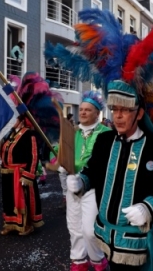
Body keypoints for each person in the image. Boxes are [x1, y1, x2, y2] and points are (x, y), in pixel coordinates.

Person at [67, 80, 153, 271]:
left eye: (125, 110)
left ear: (138, 113)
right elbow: (92, 172)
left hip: (135, 241)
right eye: (114, 109)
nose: (118, 116)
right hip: (104, 235)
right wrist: (81, 181)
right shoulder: (104, 141)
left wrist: (148, 208)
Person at [0, 71, 62, 236]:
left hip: (21, 175)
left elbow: (33, 156)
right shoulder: (10, 134)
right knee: (8, 201)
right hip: (8, 174)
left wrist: (28, 175)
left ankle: (25, 225)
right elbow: (4, 149)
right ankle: (10, 224)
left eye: (13, 118)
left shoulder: (28, 133)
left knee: (22, 202)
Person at [51, 91, 110, 271]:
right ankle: (79, 261)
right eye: (81, 109)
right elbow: (57, 152)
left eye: (88, 110)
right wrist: (60, 162)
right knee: (74, 226)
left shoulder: (106, 134)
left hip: (93, 187)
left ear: (97, 113)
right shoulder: (71, 132)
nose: (82, 112)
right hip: (72, 185)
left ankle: (98, 259)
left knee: (90, 230)